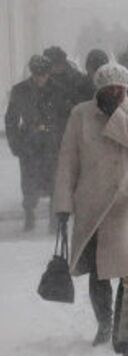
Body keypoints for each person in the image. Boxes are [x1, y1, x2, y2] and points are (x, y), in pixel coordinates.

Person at [53, 63, 128, 346]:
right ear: (98, 90)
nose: (114, 93)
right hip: (93, 200)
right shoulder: (81, 114)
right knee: (98, 269)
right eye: (108, 89)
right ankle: (105, 324)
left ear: (127, 88)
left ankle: (126, 329)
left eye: (119, 89)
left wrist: (115, 114)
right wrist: (63, 203)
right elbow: (68, 160)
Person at [4, 55, 69, 232]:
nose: (40, 78)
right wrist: (15, 144)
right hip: (29, 145)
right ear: (32, 73)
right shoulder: (20, 90)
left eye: (43, 74)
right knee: (29, 181)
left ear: (48, 73)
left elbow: (65, 118)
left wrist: (63, 140)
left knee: (54, 181)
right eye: (36, 74)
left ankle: (53, 220)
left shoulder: (58, 91)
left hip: (52, 144)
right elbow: (11, 119)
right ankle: (29, 214)